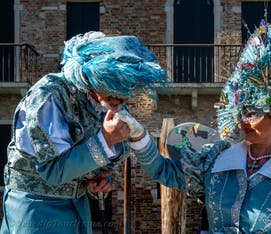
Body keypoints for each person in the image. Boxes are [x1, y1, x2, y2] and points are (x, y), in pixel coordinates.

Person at [118, 21, 271, 233]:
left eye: (253, 113)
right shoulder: (214, 162)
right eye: (241, 112)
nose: (244, 120)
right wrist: (138, 135)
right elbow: (162, 170)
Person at [1, 31, 167, 234]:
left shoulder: (102, 101)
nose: (120, 99)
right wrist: (105, 139)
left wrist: (94, 182)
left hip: (78, 206)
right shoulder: (48, 95)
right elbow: (54, 171)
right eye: (113, 88)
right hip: (36, 209)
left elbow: (88, 160)